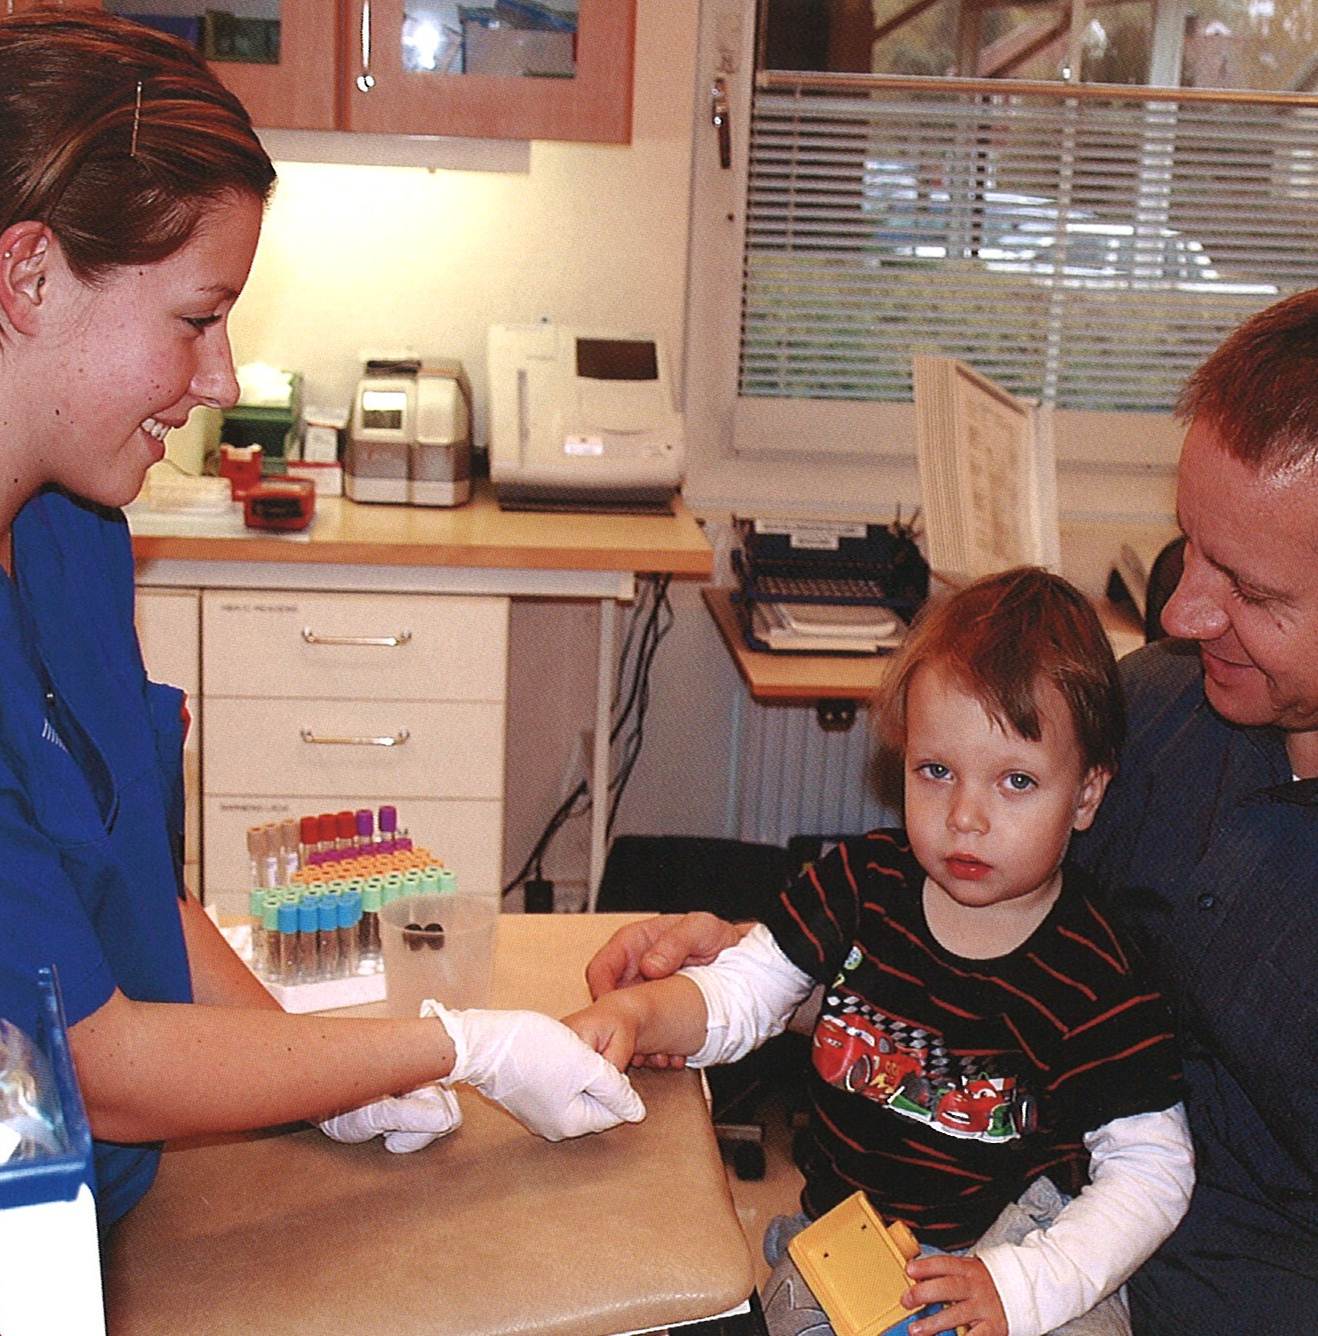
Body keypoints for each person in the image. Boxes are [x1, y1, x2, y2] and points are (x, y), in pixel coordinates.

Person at [0, 9, 643, 1230]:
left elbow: (136, 887)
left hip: (116, 1193)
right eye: (196, 319)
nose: (223, 381)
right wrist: (445, 1045)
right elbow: (85, 1057)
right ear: (30, 276)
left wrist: (314, 1084)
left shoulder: (73, 532)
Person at [587, 295, 1318, 1333]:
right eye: (1188, 547)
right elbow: (992, 967)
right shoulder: (1157, 707)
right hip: (930, 1258)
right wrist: (776, 975)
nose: (1179, 612)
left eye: (1247, 587)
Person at [570, 568, 1194, 1336]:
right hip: (849, 1242)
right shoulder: (857, 885)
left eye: (1016, 781)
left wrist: (1024, 1285)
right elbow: (741, 992)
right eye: (936, 771)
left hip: (1020, 1250)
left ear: (1088, 795)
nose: (965, 815)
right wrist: (635, 1012)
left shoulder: (1102, 974)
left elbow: (1152, 1173)